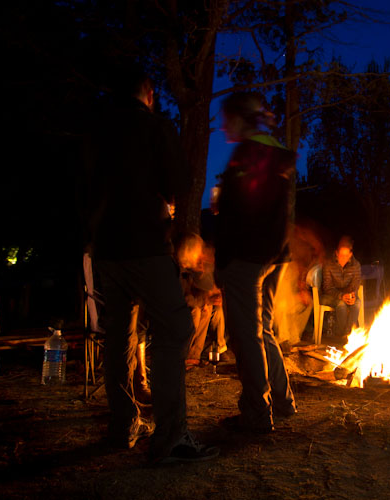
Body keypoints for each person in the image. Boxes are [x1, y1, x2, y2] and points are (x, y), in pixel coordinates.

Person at [87, 68, 218, 463]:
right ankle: (171, 437)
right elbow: (178, 179)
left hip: (105, 247)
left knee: (121, 333)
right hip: (144, 241)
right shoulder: (152, 126)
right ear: (148, 93)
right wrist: (167, 204)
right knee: (176, 327)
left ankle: (123, 424)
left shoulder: (96, 129)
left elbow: (82, 186)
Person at [213, 91, 297, 433]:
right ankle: (282, 399)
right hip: (274, 256)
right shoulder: (273, 152)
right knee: (260, 330)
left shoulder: (248, 155)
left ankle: (257, 413)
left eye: (226, 119)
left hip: (248, 257)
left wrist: (225, 261)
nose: (221, 126)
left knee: (245, 335)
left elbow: (237, 217)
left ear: (240, 119)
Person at [176, 233, 228, 369]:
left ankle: (196, 354)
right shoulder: (180, 269)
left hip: (192, 301)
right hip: (178, 306)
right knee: (197, 312)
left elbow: (206, 287)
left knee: (209, 310)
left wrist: (211, 298)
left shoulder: (196, 267)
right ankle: (185, 353)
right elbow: (184, 296)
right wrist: (205, 300)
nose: (201, 256)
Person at [321, 236, 362, 338]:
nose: (343, 258)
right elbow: (327, 287)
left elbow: (355, 284)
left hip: (347, 293)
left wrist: (351, 295)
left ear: (350, 255)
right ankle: (344, 333)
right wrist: (341, 296)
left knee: (357, 303)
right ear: (336, 253)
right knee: (341, 305)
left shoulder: (355, 265)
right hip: (330, 295)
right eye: (341, 255)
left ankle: (347, 334)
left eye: (346, 256)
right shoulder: (328, 265)